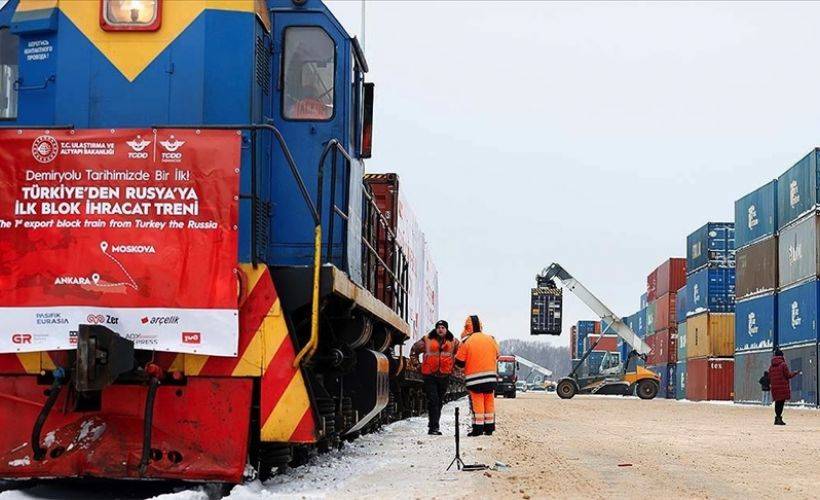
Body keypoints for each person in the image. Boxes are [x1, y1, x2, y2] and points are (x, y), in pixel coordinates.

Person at [410, 320, 459, 435]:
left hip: (444, 376)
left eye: (443, 327)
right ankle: (434, 427)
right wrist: (417, 366)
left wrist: (454, 368)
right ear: (436, 329)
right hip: (429, 376)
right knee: (434, 400)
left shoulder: (454, 342)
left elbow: (461, 354)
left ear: (446, 329)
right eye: (438, 327)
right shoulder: (427, 340)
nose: (440, 329)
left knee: (439, 401)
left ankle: (434, 423)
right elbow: (414, 350)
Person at [454, 315, 500, 436]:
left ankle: (478, 428)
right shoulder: (491, 339)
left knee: (477, 402)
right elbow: (497, 355)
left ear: (467, 327)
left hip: (474, 379)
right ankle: (489, 427)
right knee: (489, 401)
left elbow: (459, 362)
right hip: (491, 378)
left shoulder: (466, 341)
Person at [769, 349, 800, 425]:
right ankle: (778, 419)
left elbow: (770, 377)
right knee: (781, 403)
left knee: (777, 403)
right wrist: (795, 373)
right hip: (782, 387)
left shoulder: (771, 366)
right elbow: (788, 375)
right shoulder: (783, 365)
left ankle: (777, 418)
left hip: (774, 387)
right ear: (782, 356)